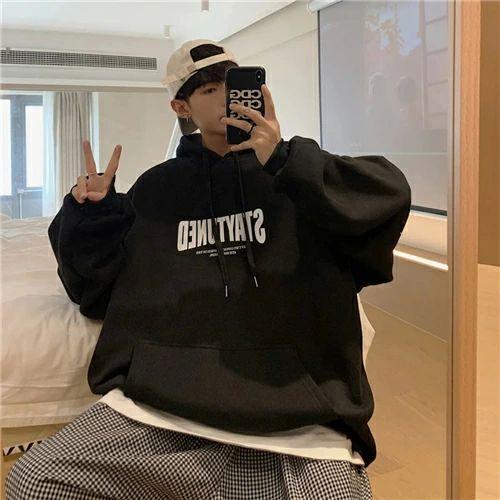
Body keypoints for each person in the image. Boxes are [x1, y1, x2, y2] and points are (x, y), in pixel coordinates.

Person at [6, 39, 411, 499]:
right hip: (159, 411)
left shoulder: (295, 174)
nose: (228, 98)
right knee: (33, 481)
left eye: (235, 85)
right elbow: (93, 287)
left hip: (298, 421)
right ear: (181, 107)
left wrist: (285, 160)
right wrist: (88, 215)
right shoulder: (155, 190)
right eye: (210, 89)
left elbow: (387, 199)